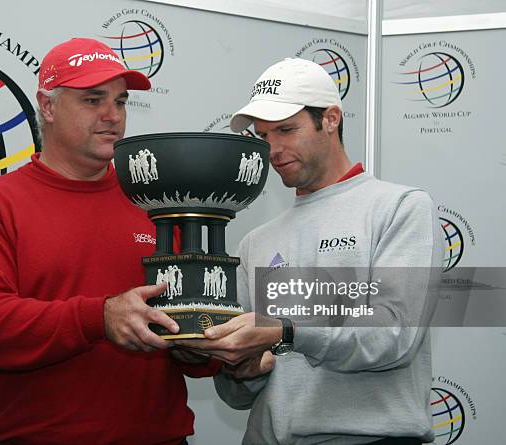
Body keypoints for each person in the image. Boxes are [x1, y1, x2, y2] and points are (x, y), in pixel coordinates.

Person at [0, 38, 220, 445]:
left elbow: (183, 334)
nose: (113, 116)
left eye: (121, 102)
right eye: (93, 100)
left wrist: (200, 348)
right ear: (49, 106)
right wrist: (99, 318)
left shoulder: (156, 205)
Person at [176, 58, 442, 444]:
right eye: (263, 136)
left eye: (286, 129)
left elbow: (394, 335)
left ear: (331, 119)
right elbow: (236, 397)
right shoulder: (257, 241)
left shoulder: (400, 207)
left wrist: (283, 330)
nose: (274, 149)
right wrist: (241, 369)